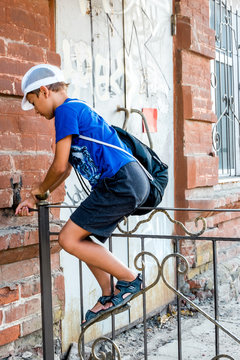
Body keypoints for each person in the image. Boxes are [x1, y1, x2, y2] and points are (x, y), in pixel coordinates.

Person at [15, 64, 150, 326]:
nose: (35, 111)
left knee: (67, 238)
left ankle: (130, 280)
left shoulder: (66, 110)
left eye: (33, 103)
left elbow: (59, 164)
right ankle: (110, 292)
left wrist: (37, 191)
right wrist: (36, 199)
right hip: (125, 181)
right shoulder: (76, 108)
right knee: (80, 236)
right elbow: (65, 171)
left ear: (44, 91)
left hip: (121, 181)